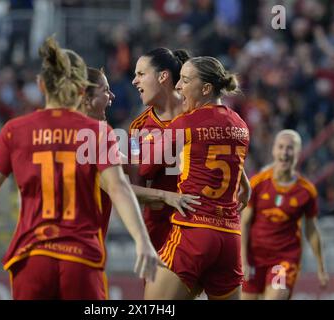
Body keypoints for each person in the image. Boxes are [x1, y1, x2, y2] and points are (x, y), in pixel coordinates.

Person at [0, 36, 160, 300]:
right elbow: (118, 187)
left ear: (40, 85)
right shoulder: (96, 132)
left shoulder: (15, 130)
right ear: (81, 88)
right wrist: (142, 240)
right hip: (80, 256)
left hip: (31, 256)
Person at [143, 56, 250, 300]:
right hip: (230, 238)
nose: (178, 86)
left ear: (205, 89)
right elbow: (225, 157)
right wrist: (245, 182)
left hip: (194, 230)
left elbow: (147, 168)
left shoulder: (186, 123)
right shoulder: (240, 125)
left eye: (185, 80)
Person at [79, 67, 201, 235]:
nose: (112, 96)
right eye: (106, 91)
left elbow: (133, 165)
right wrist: (166, 196)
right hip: (76, 243)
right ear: (86, 97)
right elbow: (115, 186)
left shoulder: (77, 132)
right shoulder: (89, 135)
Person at [241, 129, 329, 300]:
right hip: (254, 258)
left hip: (283, 260)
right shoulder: (257, 183)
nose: (284, 153)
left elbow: (311, 229)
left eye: (290, 148)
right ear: (274, 150)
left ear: (298, 153)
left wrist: (321, 267)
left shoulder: (306, 190)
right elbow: (244, 223)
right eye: (281, 147)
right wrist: (242, 260)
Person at [129, 47, 192, 251]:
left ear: (163, 76)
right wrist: (167, 197)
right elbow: (133, 188)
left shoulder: (199, 114)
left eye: (141, 74)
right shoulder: (137, 128)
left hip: (200, 224)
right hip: (160, 231)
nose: (134, 81)